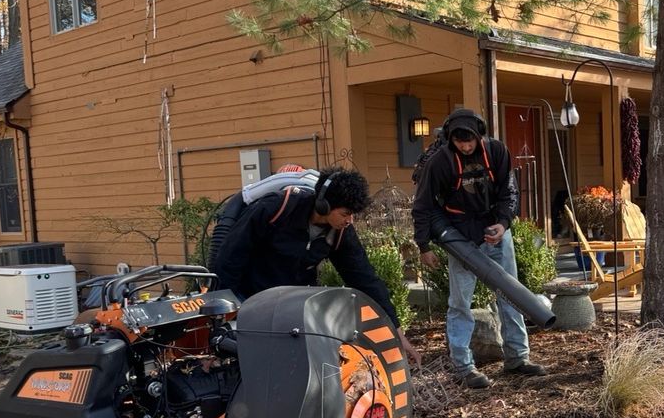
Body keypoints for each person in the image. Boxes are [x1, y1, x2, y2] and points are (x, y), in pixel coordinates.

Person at [213, 166, 420, 366]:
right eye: (345, 213)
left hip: (292, 305)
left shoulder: (339, 232)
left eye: (353, 215)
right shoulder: (275, 209)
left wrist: (397, 332)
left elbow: (365, 278)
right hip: (251, 298)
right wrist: (223, 313)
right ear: (324, 205)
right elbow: (229, 259)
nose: (350, 220)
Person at [412, 108, 547, 388]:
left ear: (479, 135)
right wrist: (424, 245)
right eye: (459, 142)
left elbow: (509, 191)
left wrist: (503, 223)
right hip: (460, 237)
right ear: (451, 139)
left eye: (469, 141)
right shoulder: (440, 162)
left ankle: (518, 357)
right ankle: (463, 366)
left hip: (494, 229)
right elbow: (423, 205)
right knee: (460, 303)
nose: (465, 146)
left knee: (510, 293)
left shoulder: (496, 152)